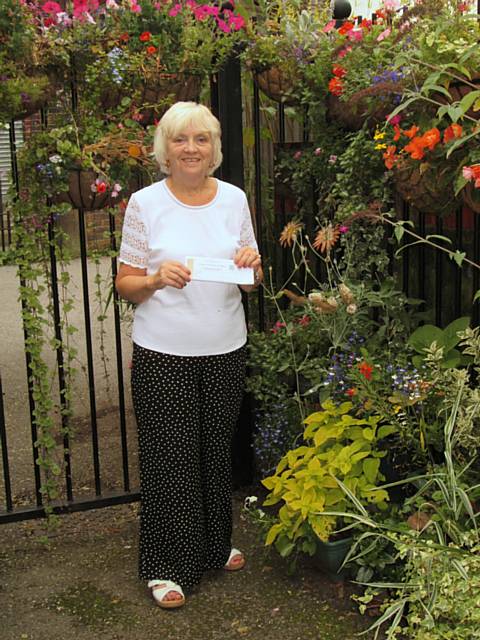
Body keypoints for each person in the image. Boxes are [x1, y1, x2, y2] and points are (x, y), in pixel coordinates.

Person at [115, 101, 263, 609]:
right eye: (181, 139)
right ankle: (166, 566)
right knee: (169, 460)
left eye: (201, 139)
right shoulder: (145, 204)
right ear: (165, 149)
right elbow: (125, 284)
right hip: (164, 352)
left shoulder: (234, 200)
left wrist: (250, 263)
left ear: (214, 148)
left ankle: (213, 546)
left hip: (225, 347)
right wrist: (155, 278)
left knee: (215, 454)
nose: (192, 149)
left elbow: (251, 278)